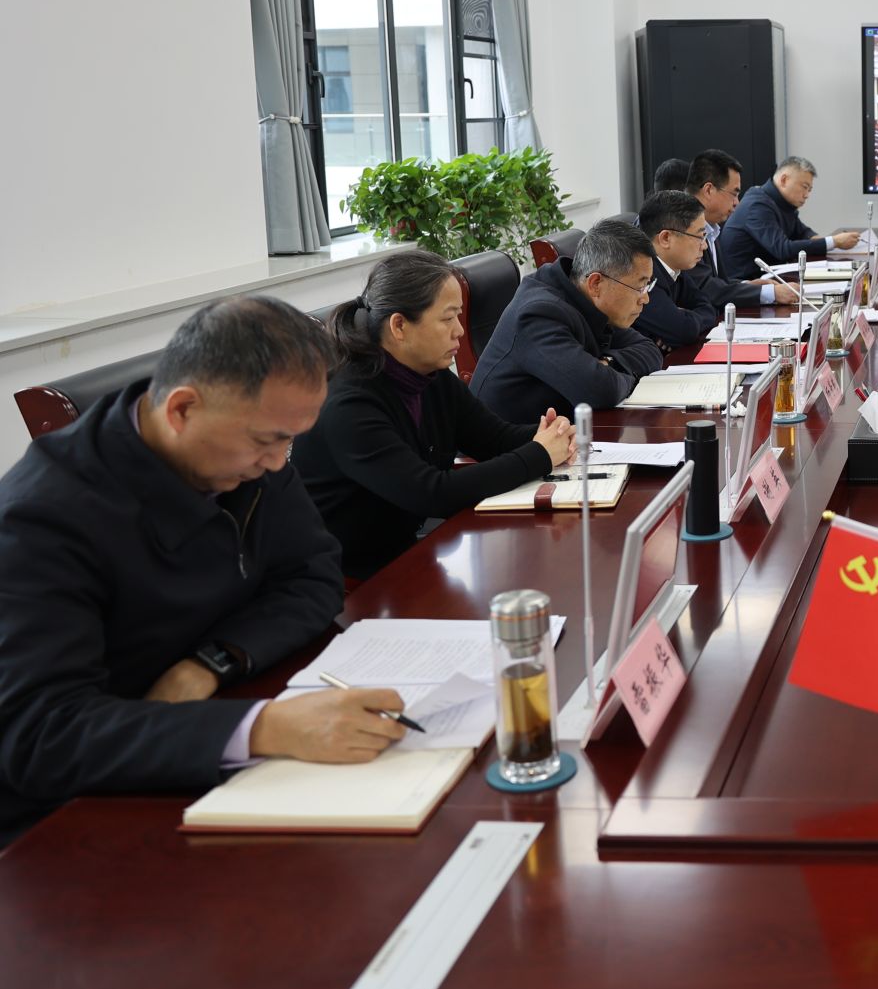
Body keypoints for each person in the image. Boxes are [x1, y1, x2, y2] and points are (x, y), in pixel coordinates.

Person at [0, 297, 409, 844]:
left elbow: (313, 576)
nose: (278, 463)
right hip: (70, 819)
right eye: (267, 441)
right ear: (181, 410)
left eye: (291, 440)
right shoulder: (39, 520)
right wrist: (264, 728)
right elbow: (41, 737)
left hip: (207, 727)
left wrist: (211, 663)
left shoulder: (248, 454)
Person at [296, 252, 576, 577]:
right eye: (447, 318)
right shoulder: (349, 405)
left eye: (459, 316)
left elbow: (494, 438)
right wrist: (540, 453)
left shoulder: (428, 375)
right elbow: (433, 493)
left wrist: (552, 434)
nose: (459, 331)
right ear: (399, 326)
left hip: (405, 550)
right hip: (349, 576)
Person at [471, 217, 666, 421]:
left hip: (561, 430)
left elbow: (650, 351)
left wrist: (609, 362)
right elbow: (599, 391)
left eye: (647, 285)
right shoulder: (539, 315)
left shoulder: (590, 299)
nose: (645, 298)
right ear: (596, 283)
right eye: (639, 286)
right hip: (510, 439)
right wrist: (625, 375)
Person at [682, 149, 799, 310]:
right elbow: (706, 289)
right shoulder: (683, 227)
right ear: (709, 190)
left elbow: (720, 282)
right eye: (733, 194)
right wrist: (770, 293)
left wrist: (748, 285)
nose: (737, 202)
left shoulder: (711, 227)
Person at [717, 155, 860, 275]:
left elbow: (803, 232)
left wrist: (821, 240)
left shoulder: (782, 202)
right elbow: (782, 249)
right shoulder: (757, 205)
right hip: (746, 284)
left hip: (771, 276)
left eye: (809, 190)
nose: (807, 195)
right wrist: (834, 242)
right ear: (784, 180)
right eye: (804, 187)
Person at [632, 193, 720, 351]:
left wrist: (685, 318)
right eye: (700, 236)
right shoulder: (641, 276)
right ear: (666, 238)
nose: (705, 245)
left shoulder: (674, 267)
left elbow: (708, 307)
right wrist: (682, 321)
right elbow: (684, 331)